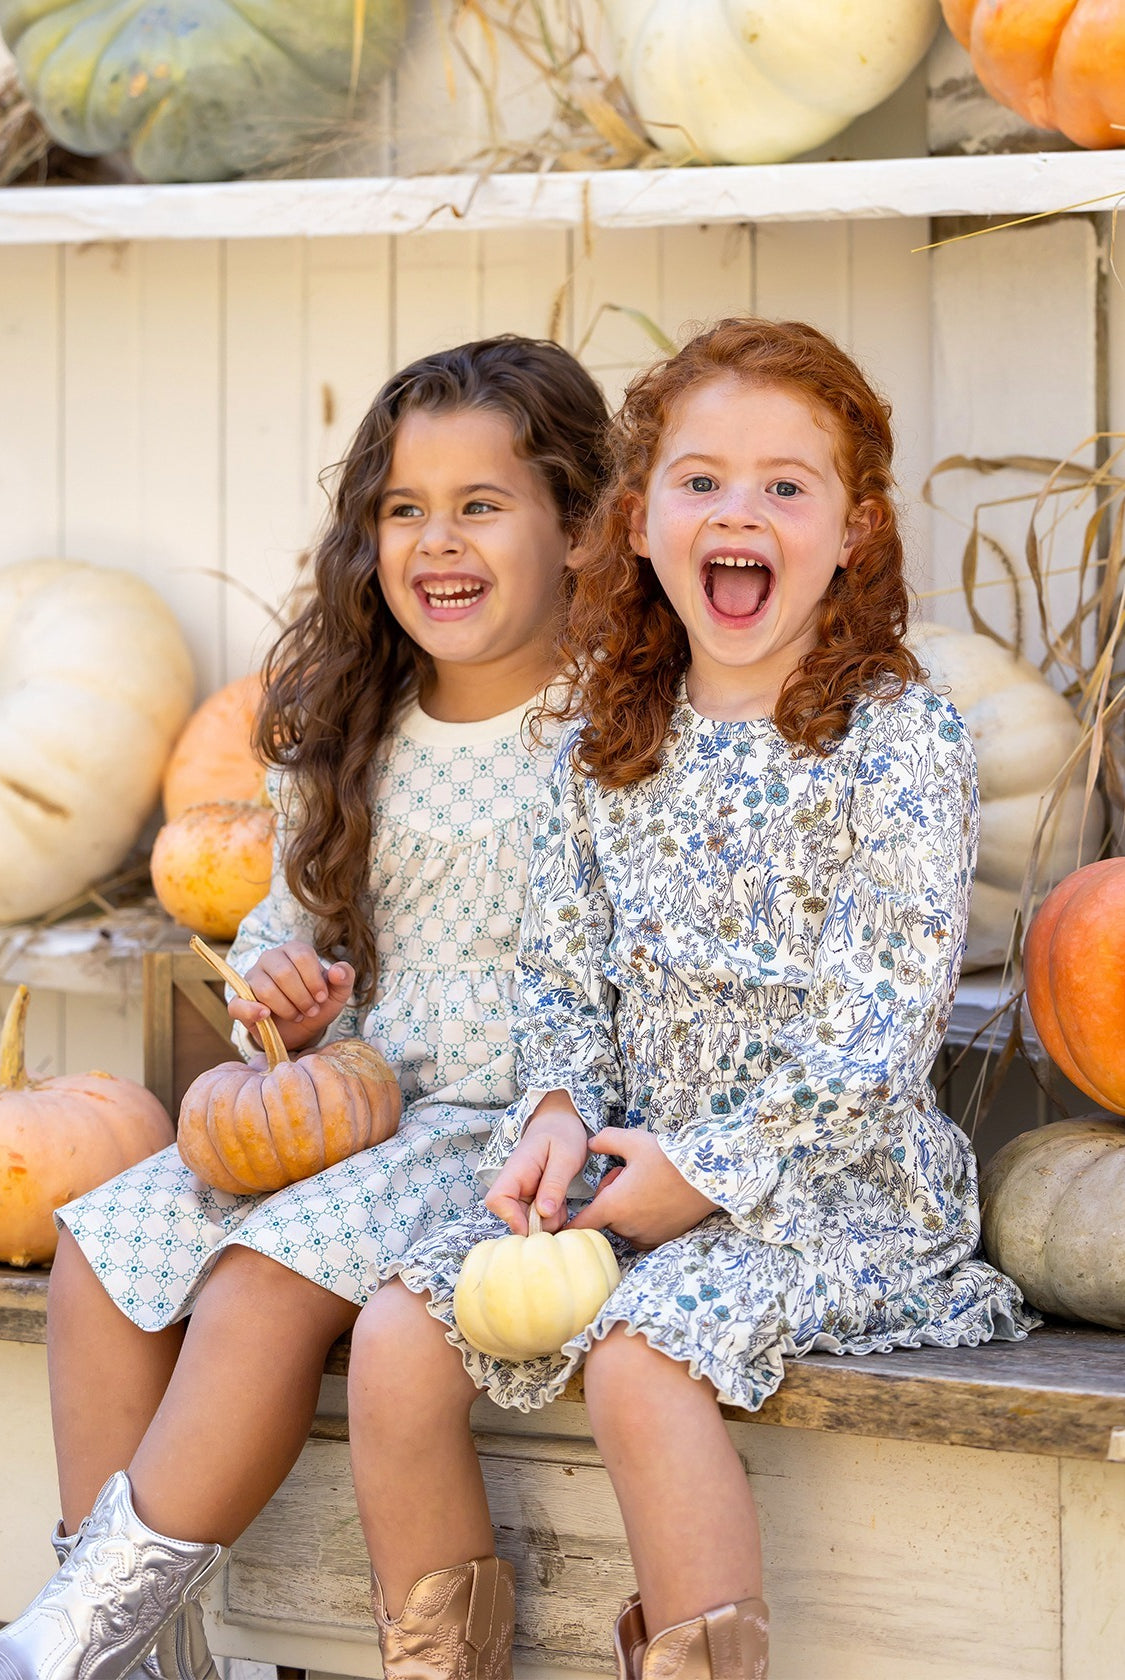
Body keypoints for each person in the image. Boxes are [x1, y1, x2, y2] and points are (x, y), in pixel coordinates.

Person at [345, 317, 1035, 1680]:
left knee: (639, 1364)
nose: (740, 510)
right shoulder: (605, 730)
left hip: (831, 1193)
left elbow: (872, 1040)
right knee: (396, 1334)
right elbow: (561, 983)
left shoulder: (895, 741)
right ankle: (435, 1663)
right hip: (625, 1180)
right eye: (701, 479)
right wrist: (550, 1115)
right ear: (641, 519)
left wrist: (703, 1172)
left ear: (854, 530)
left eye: (787, 486)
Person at [0, 335, 609, 1680]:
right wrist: (285, 990)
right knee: (105, 1248)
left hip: (502, 1133)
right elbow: (289, 925)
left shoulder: (604, 738)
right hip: (354, 1107)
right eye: (403, 509)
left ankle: (67, 1641)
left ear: (576, 527)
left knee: (258, 1285)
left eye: (480, 506)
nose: (435, 543)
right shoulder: (356, 726)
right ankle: (129, 1649)